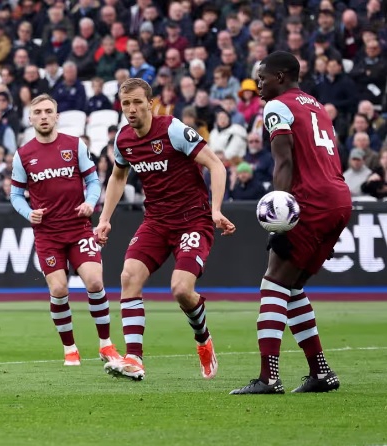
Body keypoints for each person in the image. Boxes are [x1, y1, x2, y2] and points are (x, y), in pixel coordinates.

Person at [94, 77, 236, 381]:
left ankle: (203, 339)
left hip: (192, 220)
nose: (131, 109)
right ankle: (134, 358)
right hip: (156, 222)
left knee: (181, 290)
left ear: (150, 103)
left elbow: (216, 165)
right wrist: (105, 218)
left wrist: (215, 210)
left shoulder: (172, 129)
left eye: (136, 103)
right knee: (128, 276)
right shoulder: (124, 140)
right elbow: (118, 178)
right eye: (125, 104)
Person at [231, 52, 351, 395]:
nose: (258, 86)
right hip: (339, 198)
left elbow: (283, 163)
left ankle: (268, 377)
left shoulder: (277, 107)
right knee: (291, 285)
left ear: (281, 77)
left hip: (311, 199)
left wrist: (278, 222)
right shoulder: (314, 104)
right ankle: (321, 373)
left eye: (263, 78)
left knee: (272, 283)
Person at [10, 94, 122, 366]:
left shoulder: (74, 146)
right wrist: (29, 213)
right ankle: (70, 347)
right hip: (48, 234)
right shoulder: (23, 154)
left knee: (95, 282)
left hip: (79, 228)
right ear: (31, 118)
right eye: (38, 112)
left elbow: (94, 182)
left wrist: (89, 202)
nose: (44, 116)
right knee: (59, 290)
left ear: (57, 115)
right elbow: (15, 195)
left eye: (49, 111)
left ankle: (106, 345)